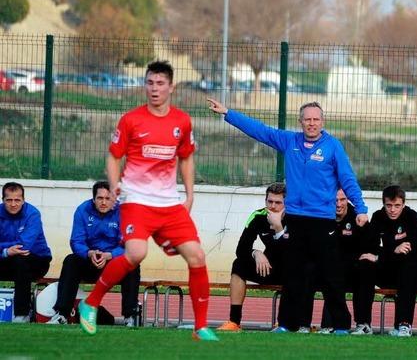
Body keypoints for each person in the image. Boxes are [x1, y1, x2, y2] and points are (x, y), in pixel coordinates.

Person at [78, 61, 217, 341]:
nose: (154, 89)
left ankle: (200, 328)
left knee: (197, 256)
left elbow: (187, 157)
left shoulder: (182, 121)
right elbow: (114, 155)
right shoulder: (131, 119)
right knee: (136, 254)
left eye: (160, 83)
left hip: (168, 203)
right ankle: (90, 303)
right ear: (145, 85)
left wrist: (190, 194)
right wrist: (116, 186)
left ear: (171, 87)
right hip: (136, 201)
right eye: (150, 83)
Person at [207, 99, 368, 333]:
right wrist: (228, 114)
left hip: (323, 222)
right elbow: (260, 131)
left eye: (316, 119)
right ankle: (286, 325)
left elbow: (347, 179)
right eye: (307, 119)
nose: (311, 124)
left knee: (331, 276)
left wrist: (361, 208)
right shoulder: (289, 141)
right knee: (293, 276)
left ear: (322, 122)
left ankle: (341, 326)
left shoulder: (333, 146)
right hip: (296, 219)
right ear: (300, 121)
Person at [47, 181, 141, 326]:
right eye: (100, 198)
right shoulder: (82, 210)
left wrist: (110, 255)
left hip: (113, 261)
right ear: (93, 199)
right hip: (90, 260)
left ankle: (131, 316)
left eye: (108, 198)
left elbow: (128, 244)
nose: (103, 202)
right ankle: (62, 314)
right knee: (71, 261)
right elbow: (76, 241)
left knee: (133, 264)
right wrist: (89, 253)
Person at [363, 185, 417, 337]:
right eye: (389, 205)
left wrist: (384, 253)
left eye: (397, 206)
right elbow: (371, 247)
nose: (393, 210)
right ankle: (363, 324)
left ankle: (404, 326)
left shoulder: (414, 218)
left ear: (403, 204)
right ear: (383, 204)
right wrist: (392, 250)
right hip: (391, 268)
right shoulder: (378, 217)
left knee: (408, 268)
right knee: (365, 265)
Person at [217, 182, 288, 331]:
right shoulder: (257, 216)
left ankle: (283, 323)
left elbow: (293, 252)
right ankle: (234, 322)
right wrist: (256, 253)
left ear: (286, 203)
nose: (273, 206)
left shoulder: (295, 217)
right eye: (270, 201)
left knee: (296, 267)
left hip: (289, 270)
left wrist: (279, 228)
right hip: (266, 268)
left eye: (278, 202)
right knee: (238, 264)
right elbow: (241, 249)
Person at [318, 189, 378, 335]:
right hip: (329, 269)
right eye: (335, 200)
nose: (338, 204)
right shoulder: (322, 216)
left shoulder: (359, 218)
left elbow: (373, 245)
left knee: (366, 268)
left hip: (354, 269)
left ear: (348, 200)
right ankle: (326, 325)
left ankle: (363, 324)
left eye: (342, 200)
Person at [0, 182, 52, 323]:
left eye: (17, 200)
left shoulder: (32, 214)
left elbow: (24, 246)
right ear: (3, 200)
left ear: (23, 200)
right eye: (9, 200)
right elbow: (13, 248)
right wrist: (6, 251)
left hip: (37, 261)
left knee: (20, 260)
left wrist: (6, 250)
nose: (13, 204)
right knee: (17, 260)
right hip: (6, 259)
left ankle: (21, 314)